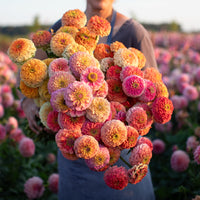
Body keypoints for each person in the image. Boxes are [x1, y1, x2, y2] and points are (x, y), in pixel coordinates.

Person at [19, 0, 157, 199]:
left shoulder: (134, 32)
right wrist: (28, 101)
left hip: (119, 154)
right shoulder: (62, 28)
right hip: (74, 147)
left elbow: (152, 92)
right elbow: (31, 67)